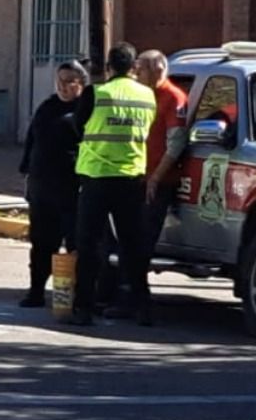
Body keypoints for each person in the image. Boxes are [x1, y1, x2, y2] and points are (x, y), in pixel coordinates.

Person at [70, 43, 157, 327]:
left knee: (89, 244)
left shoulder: (96, 93)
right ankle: (142, 306)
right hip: (132, 176)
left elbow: (78, 126)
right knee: (133, 245)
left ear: (108, 67)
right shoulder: (147, 95)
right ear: (133, 68)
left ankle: (82, 308)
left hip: (96, 176)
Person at [18, 61, 88, 308]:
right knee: (41, 242)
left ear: (81, 83)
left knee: (74, 243)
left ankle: (76, 296)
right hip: (42, 186)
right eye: (60, 80)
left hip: (71, 187)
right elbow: (31, 140)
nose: (63, 86)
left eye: (69, 81)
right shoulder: (47, 107)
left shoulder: (85, 110)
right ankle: (36, 291)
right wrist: (26, 171)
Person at [136, 50, 188, 293]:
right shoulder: (143, 95)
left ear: (157, 70)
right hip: (136, 174)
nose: (136, 74)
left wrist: (155, 178)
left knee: (143, 240)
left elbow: (176, 143)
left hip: (159, 180)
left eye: (141, 69)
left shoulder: (173, 97)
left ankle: (136, 295)